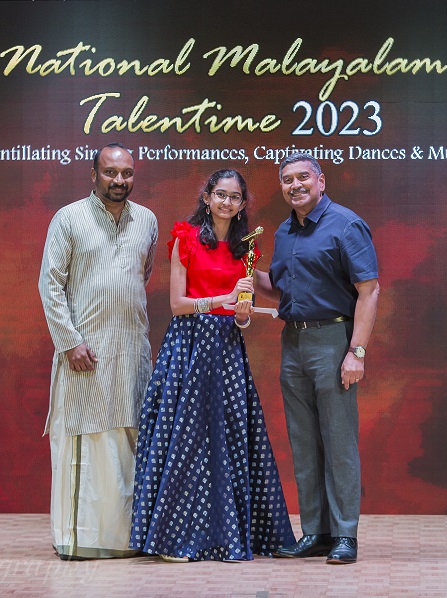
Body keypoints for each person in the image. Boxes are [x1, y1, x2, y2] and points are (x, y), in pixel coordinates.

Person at [130, 168, 296, 562]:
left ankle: (225, 536)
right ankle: (172, 540)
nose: (226, 202)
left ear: (242, 204)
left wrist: (242, 312)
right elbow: (177, 305)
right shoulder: (186, 238)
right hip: (188, 347)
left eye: (234, 197)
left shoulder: (244, 249)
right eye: (220, 194)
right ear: (207, 197)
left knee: (228, 441)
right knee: (184, 443)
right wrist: (224, 299)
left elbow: (240, 314)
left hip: (226, 349)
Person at [254, 152, 379, 565]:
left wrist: (356, 352)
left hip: (333, 341)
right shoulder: (284, 230)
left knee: (338, 442)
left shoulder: (346, 224)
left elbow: (369, 291)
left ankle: (345, 535)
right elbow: (280, 289)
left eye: (303, 177)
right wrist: (242, 268)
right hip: (293, 342)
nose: (295, 185)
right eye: (287, 180)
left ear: (321, 181)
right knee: (304, 442)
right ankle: (315, 533)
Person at [39, 142, 158, 561]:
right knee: (87, 443)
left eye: (126, 173)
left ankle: (126, 540)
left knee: (128, 445)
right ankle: (80, 541)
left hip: (131, 354)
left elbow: (141, 275)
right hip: (84, 358)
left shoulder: (147, 221)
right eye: (110, 172)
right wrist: (70, 341)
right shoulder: (68, 218)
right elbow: (50, 285)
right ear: (94, 175)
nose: (119, 181)